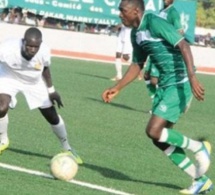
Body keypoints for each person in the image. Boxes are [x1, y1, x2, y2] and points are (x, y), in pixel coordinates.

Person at [102, 0, 213, 194]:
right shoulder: (136, 33)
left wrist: (192, 77)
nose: (120, 14)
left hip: (179, 83)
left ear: (136, 11)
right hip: (164, 85)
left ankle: (199, 148)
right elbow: (137, 64)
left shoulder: (154, 22)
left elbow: (184, 46)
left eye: (123, 10)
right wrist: (117, 87)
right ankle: (199, 180)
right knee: (159, 139)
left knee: (153, 130)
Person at [0, 27, 83, 164]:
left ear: (41, 44)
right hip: (9, 77)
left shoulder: (44, 51)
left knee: (51, 116)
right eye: (29, 46)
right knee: (1, 107)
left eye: (36, 47)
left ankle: (67, 148)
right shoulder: (7, 49)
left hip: (33, 82)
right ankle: (3, 140)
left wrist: (51, 90)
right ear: (23, 41)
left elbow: (45, 69)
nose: (32, 50)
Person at [144, 0, 184, 111]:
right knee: (147, 76)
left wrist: (170, 43)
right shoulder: (162, 11)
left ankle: (160, 106)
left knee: (157, 81)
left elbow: (180, 31)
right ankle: (156, 102)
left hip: (164, 51)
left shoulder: (173, 13)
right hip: (155, 49)